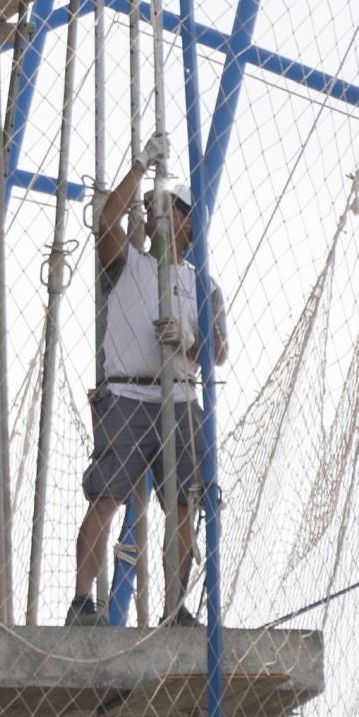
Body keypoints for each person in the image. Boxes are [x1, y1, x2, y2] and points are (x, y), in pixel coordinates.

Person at [67, 133, 228, 628]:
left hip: (178, 396)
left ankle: (174, 608)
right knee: (107, 495)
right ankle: (82, 602)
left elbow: (218, 353)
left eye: (166, 210)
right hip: (129, 391)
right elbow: (104, 223)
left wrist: (187, 344)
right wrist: (139, 166)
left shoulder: (201, 284)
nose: (155, 217)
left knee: (183, 505)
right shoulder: (128, 263)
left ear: (184, 223)